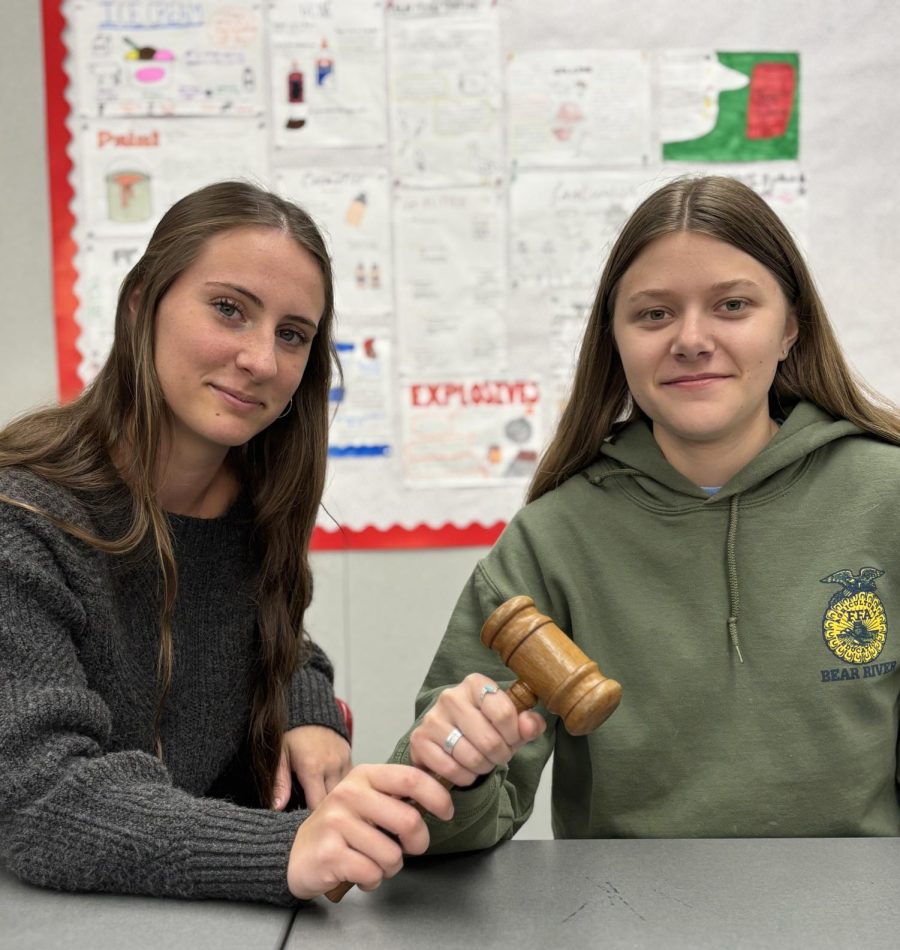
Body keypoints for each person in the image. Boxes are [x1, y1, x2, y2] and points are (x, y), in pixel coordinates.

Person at [393, 174, 900, 851]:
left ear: (790, 328)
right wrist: (453, 766)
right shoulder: (554, 540)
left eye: (732, 305)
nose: (691, 339)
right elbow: (433, 827)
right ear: (616, 340)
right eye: (654, 314)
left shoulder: (885, 495)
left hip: (861, 928)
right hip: (624, 930)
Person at [0, 180, 450, 904]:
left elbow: (275, 641)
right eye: (229, 309)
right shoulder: (20, 518)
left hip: (214, 935)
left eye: (292, 334)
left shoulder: (256, 502)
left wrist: (303, 704)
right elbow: (46, 798)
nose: (261, 360)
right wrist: (287, 847)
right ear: (143, 302)